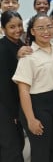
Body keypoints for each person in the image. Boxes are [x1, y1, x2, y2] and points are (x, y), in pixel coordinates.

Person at [13, 13, 53, 162]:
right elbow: (23, 90)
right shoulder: (28, 55)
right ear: (32, 31)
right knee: (41, 150)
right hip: (37, 105)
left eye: (49, 27)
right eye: (40, 28)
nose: (46, 31)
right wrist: (31, 119)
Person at [0, 11, 30, 162]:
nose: (17, 29)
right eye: (12, 27)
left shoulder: (20, 43)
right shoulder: (3, 48)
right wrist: (13, 114)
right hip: (5, 107)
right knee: (11, 146)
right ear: (3, 29)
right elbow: (4, 84)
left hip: (17, 103)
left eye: (19, 25)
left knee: (18, 142)